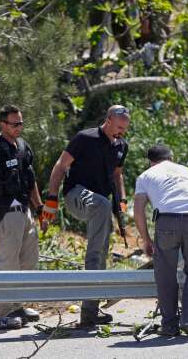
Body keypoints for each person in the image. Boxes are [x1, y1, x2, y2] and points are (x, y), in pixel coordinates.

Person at [42, 105, 130, 328]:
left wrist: (122, 199)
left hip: (99, 205)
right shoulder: (85, 137)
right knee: (101, 207)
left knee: (102, 251)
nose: (121, 132)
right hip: (75, 196)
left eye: (125, 129)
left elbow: (117, 174)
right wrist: (51, 200)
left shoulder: (121, 145)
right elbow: (60, 166)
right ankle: (92, 264)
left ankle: (90, 312)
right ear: (108, 120)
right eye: (119, 127)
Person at [0, 105, 44, 330]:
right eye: (14, 124)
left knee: (28, 260)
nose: (19, 128)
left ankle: (17, 305)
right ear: (2, 124)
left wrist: (40, 208)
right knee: (7, 261)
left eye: (21, 123)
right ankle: (2, 313)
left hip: (25, 210)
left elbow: (31, 179)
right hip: (6, 210)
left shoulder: (23, 146)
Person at [133, 144, 188, 337]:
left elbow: (138, 209)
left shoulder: (146, 176)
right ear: (171, 157)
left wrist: (145, 239)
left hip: (166, 222)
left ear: (150, 161)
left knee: (165, 276)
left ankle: (169, 326)